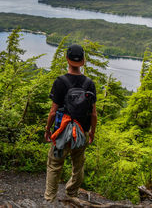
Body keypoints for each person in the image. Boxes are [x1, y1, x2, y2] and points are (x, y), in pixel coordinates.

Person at [44, 44, 97, 204]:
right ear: (83, 61)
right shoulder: (89, 84)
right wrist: (92, 132)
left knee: (54, 165)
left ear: (67, 59)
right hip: (81, 132)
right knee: (78, 165)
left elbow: (53, 111)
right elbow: (93, 113)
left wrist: (47, 130)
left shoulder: (60, 82)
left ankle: (49, 200)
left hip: (61, 132)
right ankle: (71, 193)